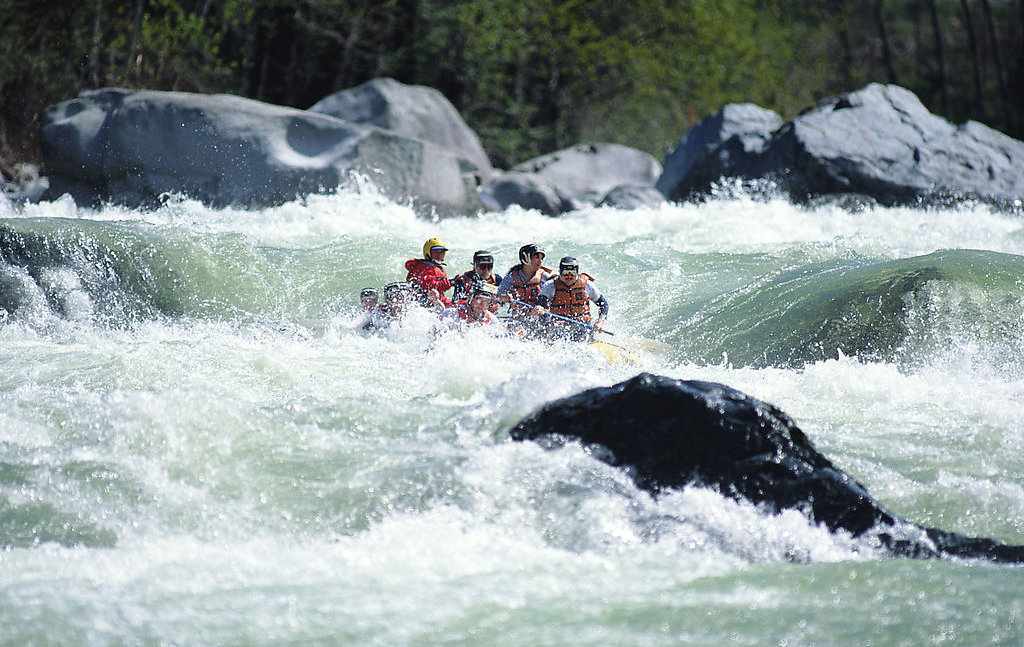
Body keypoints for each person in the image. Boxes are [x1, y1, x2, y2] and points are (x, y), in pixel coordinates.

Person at [533, 256, 609, 341]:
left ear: (577, 273)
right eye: (565, 273)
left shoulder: (587, 285)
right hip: (559, 330)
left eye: (572, 273)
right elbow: (539, 303)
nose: (569, 276)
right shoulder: (550, 285)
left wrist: (600, 322)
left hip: (583, 329)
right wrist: (538, 308)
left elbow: (604, 305)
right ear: (559, 272)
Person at [405, 237, 452, 309]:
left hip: (436, 301)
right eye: (436, 252)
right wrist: (450, 283)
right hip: (422, 303)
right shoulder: (423, 267)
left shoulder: (439, 268)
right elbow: (429, 287)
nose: (439, 255)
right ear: (428, 252)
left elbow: (441, 294)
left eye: (441, 252)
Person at [440, 283, 507, 334]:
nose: (482, 304)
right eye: (479, 299)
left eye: (486, 301)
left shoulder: (491, 320)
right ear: (470, 298)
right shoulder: (451, 315)